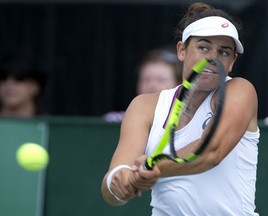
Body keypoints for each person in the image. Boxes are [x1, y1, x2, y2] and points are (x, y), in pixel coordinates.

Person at [102, 2, 259, 215]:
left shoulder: (241, 91)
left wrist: (151, 168)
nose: (213, 58)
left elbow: (211, 152)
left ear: (232, 62)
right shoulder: (144, 106)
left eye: (224, 52)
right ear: (182, 50)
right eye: (204, 48)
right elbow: (111, 189)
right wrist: (120, 181)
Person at [103, 48, 182, 122]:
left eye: (161, 80)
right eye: (146, 79)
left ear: (178, 84)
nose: (152, 85)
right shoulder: (117, 120)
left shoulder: (185, 122)